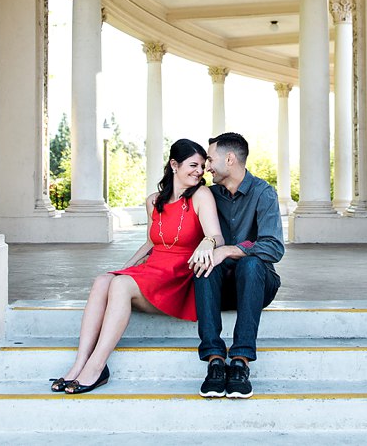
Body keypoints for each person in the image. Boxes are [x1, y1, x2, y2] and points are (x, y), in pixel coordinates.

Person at [50, 138, 223, 394]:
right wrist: (123, 269)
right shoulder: (153, 201)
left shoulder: (201, 194)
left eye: (202, 166)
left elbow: (217, 237)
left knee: (119, 285)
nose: (199, 171)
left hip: (179, 277)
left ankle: (96, 368)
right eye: (193, 165)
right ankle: (78, 365)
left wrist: (208, 242)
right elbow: (150, 243)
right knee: (103, 280)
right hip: (153, 268)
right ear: (174, 165)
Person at [192, 130, 285, 399]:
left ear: (230, 159)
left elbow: (274, 247)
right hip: (217, 288)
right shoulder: (207, 195)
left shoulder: (263, 193)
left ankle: (241, 361)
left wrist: (229, 250)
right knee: (205, 262)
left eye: (210, 160)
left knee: (252, 264)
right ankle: (214, 361)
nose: (206, 167)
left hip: (256, 285)